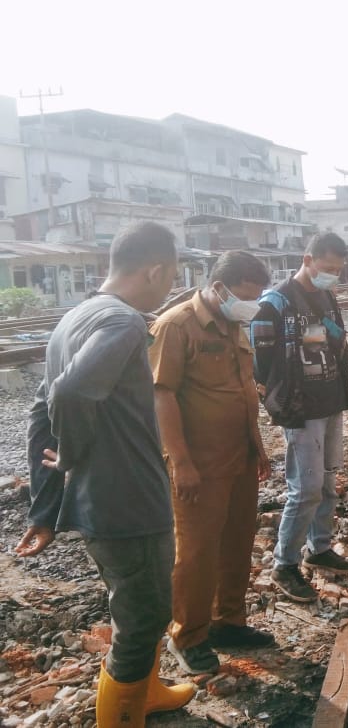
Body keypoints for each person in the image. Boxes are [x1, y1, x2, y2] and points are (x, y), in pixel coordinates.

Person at [16, 221, 193, 726]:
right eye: (171, 275)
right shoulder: (123, 322)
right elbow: (68, 397)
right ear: (155, 270)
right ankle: (121, 718)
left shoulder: (75, 317)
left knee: (138, 609)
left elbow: (38, 414)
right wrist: (71, 455)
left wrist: (45, 508)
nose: (169, 285)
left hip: (104, 503)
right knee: (143, 619)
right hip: (128, 502)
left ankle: (149, 690)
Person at [150, 251, 275, 675]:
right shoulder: (176, 325)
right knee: (198, 553)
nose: (250, 304)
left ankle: (228, 622)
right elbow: (161, 394)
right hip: (199, 467)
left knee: (238, 542)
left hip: (238, 458)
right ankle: (188, 636)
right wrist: (180, 463)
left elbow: (242, 389)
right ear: (219, 287)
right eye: (244, 296)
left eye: (256, 297)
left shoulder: (234, 323)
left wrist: (257, 448)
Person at [251, 232, 348, 603]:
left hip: (330, 401)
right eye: (327, 268)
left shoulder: (325, 295)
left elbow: (327, 344)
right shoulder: (275, 303)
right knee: (306, 488)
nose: (332, 275)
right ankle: (285, 564)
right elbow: (259, 365)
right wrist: (278, 403)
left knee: (327, 482)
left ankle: (320, 547)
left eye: (337, 270)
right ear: (307, 259)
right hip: (301, 410)